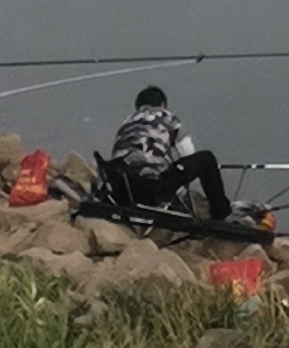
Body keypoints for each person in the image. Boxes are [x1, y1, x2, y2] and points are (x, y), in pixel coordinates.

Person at [109, 85, 266, 236]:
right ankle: (221, 214)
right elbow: (188, 153)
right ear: (163, 105)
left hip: (123, 188)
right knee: (206, 159)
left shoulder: (127, 122)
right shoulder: (168, 117)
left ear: (138, 106)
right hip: (151, 187)